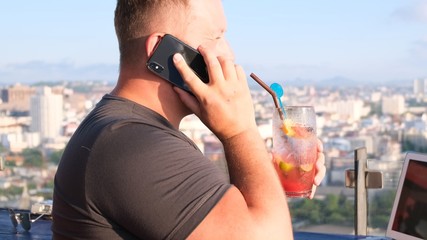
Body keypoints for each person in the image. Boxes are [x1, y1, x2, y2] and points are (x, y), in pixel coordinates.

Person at [52, 0, 326, 239]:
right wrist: (240, 131)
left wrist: (265, 175)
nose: (229, 54)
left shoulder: (125, 131)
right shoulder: (131, 145)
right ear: (162, 49)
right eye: (215, 37)